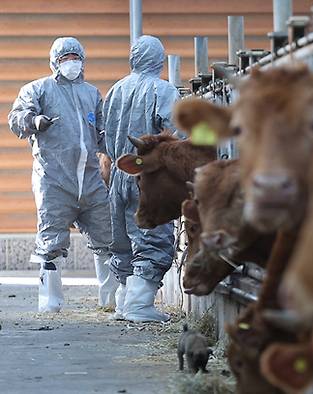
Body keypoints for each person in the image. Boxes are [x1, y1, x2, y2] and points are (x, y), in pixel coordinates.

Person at [7, 37, 119, 313]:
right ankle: (50, 303)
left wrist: (119, 148)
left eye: (75, 57)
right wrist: (34, 121)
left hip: (91, 179)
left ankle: (111, 301)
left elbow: (102, 132)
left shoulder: (92, 93)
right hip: (54, 178)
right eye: (65, 58)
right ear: (55, 62)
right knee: (51, 242)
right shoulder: (39, 89)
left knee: (107, 238)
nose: (71, 63)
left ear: (83, 60)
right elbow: (16, 117)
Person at [103, 35, 181, 322]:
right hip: (149, 177)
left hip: (119, 173)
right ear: (159, 60)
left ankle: (124, 302)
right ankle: (139, 305)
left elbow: (103, 136)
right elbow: (176, 135)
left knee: (122, 239)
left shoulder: (115, 90)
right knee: (154, 236)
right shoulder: (164, 91)